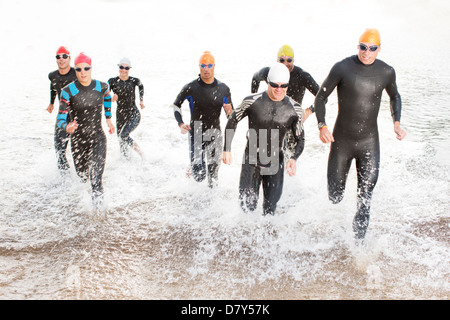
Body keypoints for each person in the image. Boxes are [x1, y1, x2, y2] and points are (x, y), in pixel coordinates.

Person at [314, 28, 407, 239]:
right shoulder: (342, 68)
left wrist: (396, 123)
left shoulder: (386, 72)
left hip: (369, 143)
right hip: (342, 142)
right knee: (335, 197)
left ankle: (358, 248)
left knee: (365, 198)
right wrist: (322, 126)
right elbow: (320, 98)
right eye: (363, 47)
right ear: (358, 46)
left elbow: (395, 96)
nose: (367, 52)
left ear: (379, 49)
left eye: (372, 48)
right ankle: (332, 234)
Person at [223, 63, 305, 216]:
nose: (279, 89)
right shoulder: (252, 101)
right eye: (274, 85)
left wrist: (293, 158)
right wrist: (226, 149)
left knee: (270, 212)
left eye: (283, 86)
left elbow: (301, 139)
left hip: (275, 163)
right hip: (252, 159)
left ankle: (267, 239)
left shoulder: (295, 109)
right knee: (247, 208)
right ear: (268, 82)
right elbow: (233, 120)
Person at [57, 52, 115, 208]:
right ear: (75, 70)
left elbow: (108, 97)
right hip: (78, 140)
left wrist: (108, 118)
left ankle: (98, 215)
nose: (82, 72)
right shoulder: (68, 91)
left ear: (91, 68)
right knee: (83, 177)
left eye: (86, 68)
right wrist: (66, 126)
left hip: (98, 137)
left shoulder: (101, 86)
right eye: (78, 69)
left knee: (96, 179)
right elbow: (60, 119)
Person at [172, 51, 233, 188]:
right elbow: (176, 105)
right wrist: (180, 123)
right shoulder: (191, 87)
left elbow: (231, 116)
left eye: (209, 65)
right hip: (196, 133)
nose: (206, 69)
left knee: (213, 177)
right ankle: (193, 166)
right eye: (203, 66)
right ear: (199, 67)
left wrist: (230, 112)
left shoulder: (223, 89)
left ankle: (211, 207)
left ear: (214, 66)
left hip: (214, 134)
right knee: (199, 176)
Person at [251, 44, 320, 122]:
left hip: (292, 117)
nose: (285, 64)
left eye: (289, 60)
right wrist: (254, 101)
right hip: (272, 115)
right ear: (277, 61)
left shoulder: (302, 76)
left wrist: (308, 112)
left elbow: (323, 97)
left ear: (293, 60)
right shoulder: (269, 72)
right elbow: (255, 79)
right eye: (282, 60)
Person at [47, 46, 77, 173]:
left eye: (64, 56)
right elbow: (53, 87)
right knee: (59, 150)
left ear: (69, 58)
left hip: (77, 115)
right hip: (63, 115)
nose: (61, 59)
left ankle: (82, 179)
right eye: (58, 57)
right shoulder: (52, 75)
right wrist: (51, 103)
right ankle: (65, 180)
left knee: (78, 151)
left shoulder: (77, 73)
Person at [108, 57, 145, 159]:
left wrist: (141, 100)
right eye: (121, 67)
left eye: (126, 68)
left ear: (129, 69)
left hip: (134, 114)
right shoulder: (112, 81)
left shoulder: (134, 81)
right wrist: (111, 99)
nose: (123, 70)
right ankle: (126, 163)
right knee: (121, 140)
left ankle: (142, 154)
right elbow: (104, 95)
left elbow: (141, 86)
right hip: (120, 115)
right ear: (118, 67)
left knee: (124, 135)